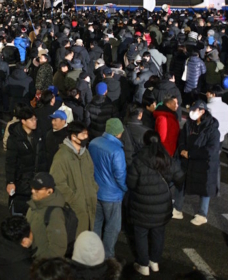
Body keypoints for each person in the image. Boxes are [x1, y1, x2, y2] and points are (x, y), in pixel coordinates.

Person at [126, 130, 184, 276]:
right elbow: (180, 178)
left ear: (145, 142)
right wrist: (168, 185)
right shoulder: (166, 158)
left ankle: (143, 264)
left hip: (141, 205)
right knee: (158, 233)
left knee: (141, 234)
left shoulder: (139, 159)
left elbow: (131, 183)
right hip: (162, 206)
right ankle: (155, 262)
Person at [173, 100, 220, 226]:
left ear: (202, 111)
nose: (191, 113)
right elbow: (182, 138)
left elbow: (212, 150)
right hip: (188, 160)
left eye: (194, 110)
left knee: (204, 187)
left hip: (204, 164)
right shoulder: (189, 124)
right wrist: (182, 149)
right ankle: (177, 208)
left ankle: (202, 214)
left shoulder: (212, 129)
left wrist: (191, 154)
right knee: (181, 183)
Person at [88, 118, 128, 259]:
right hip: (112, 196)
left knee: (96, 224)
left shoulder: (93, 143)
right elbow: (120, 175)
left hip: (96, 192)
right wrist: (124, 189)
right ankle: (107, 257)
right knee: (112, 228)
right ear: (119, 133)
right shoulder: (117, 151)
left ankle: (94, 254)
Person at [50, 121, 98, 236]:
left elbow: (91, 174)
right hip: (74, 208)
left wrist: (93, 190)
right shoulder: (61, 156)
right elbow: (58, 183)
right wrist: (73, 199)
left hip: (89, 204)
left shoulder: (85, 153)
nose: (86, 137)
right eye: (83, 135)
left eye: (87, 134)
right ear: (73, 136)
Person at [6, 104, 48, 215]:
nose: (35, 121)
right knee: (22, 212)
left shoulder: (39, 134)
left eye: (35, 118)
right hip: (22, 182)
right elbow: (10, 162)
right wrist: (10, 181)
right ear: (23, 121)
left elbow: (43, 156)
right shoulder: (15, 139)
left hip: (37, 179)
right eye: (31, 119)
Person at [25, 172, 68, 260]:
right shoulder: (34, 205)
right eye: (32, 188)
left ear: (49, 192)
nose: (33, 191)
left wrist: (40, 264)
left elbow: (58, 249)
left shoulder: (55, 213)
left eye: (37, 189)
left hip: (41, 265)